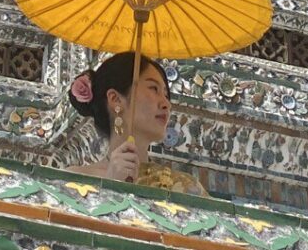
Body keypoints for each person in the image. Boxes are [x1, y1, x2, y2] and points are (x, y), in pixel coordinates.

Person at [66, 52, 207, 195]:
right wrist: (110, 188)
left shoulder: (187, 188)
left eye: (165, 94)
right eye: (154, 88)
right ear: (115, 99)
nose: (166, 104)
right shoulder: (74, 183)